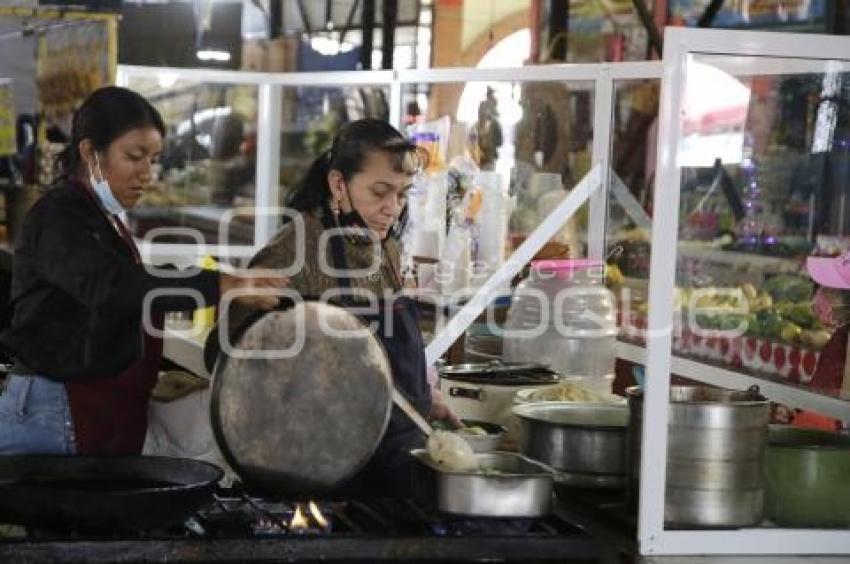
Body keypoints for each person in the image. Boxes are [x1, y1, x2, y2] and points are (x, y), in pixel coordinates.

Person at [0, 86, 285, 456]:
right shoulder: (60, 215)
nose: (147, 174)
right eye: (135, 157)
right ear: (90, 153)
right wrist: (219, 284)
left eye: (153, 159)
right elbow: (113, 286)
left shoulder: (101, 217)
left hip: (88, 410)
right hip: (54, 411)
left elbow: (127, 280)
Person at [206, 119, 459, 496]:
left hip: (397, 449)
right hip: (324, 462)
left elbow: (383, 350)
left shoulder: (384, 244)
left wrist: (422, 396)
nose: (392, 208)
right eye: (380, 192)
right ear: (338, 184)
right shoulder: (295, 249)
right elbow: (226, 355)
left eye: (403, 194)